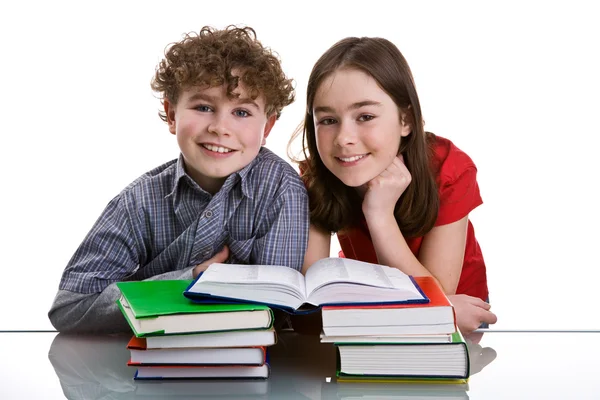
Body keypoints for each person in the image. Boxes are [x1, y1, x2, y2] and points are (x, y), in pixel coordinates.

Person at [49, 26, 309, 333]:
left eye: (241, 112)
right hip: (148, 366)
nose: (220, 128)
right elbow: (70, 308)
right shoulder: (139, 201)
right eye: (203, 107)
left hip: (249, 363)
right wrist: (191, 279)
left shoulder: (281, 190)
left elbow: (277, 310)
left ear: (267, 128)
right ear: (172, 115)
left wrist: (148, 296)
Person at [293, 36, 497, 334]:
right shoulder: (316, 176)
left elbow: (438, 292)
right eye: (327, 120)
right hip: (382, 306)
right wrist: (440, 307)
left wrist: (379, 214)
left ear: (406, 120)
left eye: (365, 116)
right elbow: (311, 293)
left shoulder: (449, 169)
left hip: (460, 315)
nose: (343, 138)